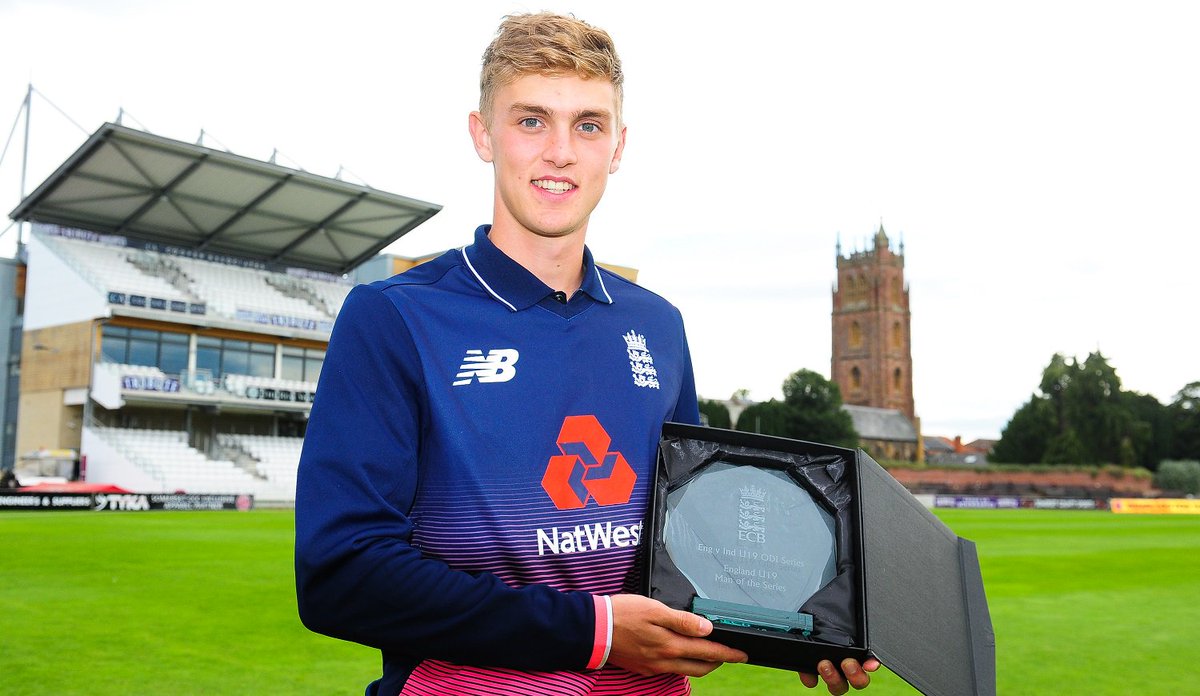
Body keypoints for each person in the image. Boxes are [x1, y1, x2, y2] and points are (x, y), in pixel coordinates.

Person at [295, 12, 878, 695]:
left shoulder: (658, 324)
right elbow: (342, 575)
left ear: (618, 146)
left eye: (589, 125)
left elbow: (689, 551)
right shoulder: (395, 316)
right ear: (484, 135)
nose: (561, 153)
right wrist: (591, 630)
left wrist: (799, 626)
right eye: (532, 120)